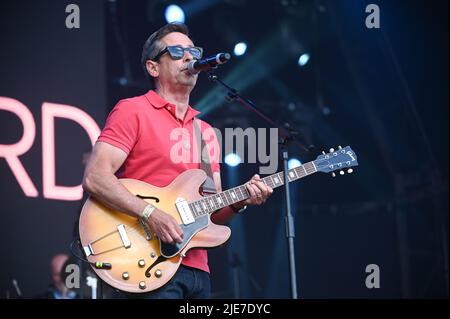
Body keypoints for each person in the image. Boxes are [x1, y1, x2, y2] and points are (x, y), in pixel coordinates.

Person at [82, 22, 273, 299]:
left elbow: (213, 211)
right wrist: (150, 214)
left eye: (193, 50)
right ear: (153, 68)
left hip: (198, 271)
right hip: (144, 260)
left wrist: (241, 200)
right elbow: (95, 177)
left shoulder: (205, 132)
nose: (189, 57)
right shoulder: (132, 111)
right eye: (176, 51)